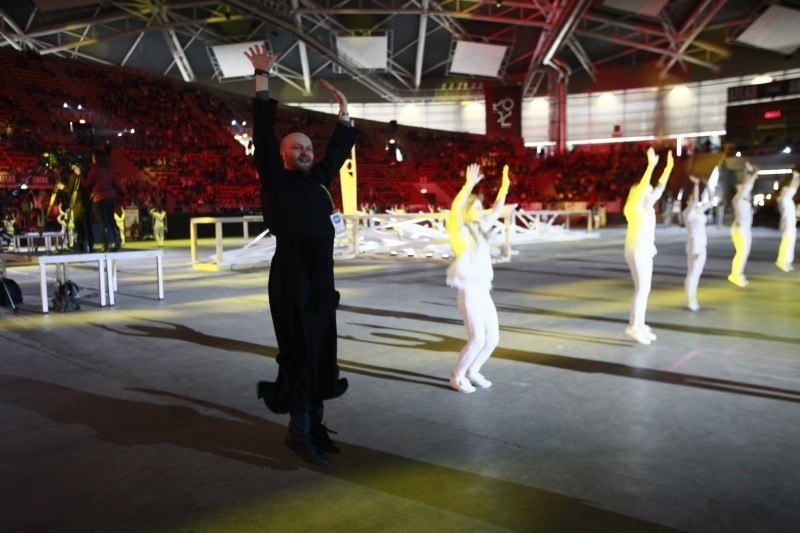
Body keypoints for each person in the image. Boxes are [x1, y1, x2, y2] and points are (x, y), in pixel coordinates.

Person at [246, 44, 356, 466]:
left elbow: (338, 151)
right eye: (296, 148)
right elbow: (261, 131)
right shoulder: (276, 181)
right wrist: (262, 79)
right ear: (281, 156)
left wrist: (344, 111)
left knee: (323, 353)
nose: (305, 152)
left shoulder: (320, 182)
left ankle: (314, 425)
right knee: (300, 355)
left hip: (321, 283)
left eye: (308, 147)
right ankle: (298, 433)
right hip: (293, 279)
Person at [446, 163, 510, 393]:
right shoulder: (460, 232)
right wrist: (468, 186)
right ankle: (457, 376)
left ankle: (473, 371)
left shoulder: (481, 228)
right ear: (467, 211)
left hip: (483, 291)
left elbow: (497, 210)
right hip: (469, 292)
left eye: (482, 207)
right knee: (477, 339)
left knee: (492, 338)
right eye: (477, 207)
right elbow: (455, 210)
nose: (482, 210)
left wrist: (505, 187)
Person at [623, 147, 674, 345]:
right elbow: (645, 185)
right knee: (642, 289)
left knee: (644, 288)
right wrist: (651, 166)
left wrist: (668, 167)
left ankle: (639, 324)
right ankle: (634, 327)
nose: (652, 191)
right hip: (637, 249)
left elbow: (659, 186)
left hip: (643, 249)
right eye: (647, 190)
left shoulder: (646, 205)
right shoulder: (633, 207)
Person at [81, 148, 123, 252]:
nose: (92, 159)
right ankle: (118, 242)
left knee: (102, 222)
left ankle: (106, 245)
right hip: (110, 197)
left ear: (96, 158)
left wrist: (78, 174)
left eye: (93, 157)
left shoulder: (94, 170)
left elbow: (86, 184)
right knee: (111, 220)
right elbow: (118, 184)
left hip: (99, 198)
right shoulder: (109, 170)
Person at [682, 171, 713, 311]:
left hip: (700, 245)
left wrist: (707, 186)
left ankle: (690, 299)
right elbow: (695, 199)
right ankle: (691, 301)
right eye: (691, 199)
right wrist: (695, 184)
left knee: (694, 273)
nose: (694, 200)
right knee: (693, 274)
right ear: (687, 201)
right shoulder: (688, 213)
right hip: (695, 246)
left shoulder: (698, 210)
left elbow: (711, 200)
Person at [728, 161, 757, 287]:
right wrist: (751, 172)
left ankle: (737, 274)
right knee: (742, 252)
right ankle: (736, 275)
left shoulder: (742, 200)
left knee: (743, 252)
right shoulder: (740, 199)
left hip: (743, 228)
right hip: (740, 229)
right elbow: (748, 184)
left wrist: (750, 173)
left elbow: (747, 184)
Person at [775, 169, 799, 272]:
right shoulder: (784, 199)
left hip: (789, 224)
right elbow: (793, 188)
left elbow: (793, 188)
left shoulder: (786, 200)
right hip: (787, 225)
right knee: (787, 243)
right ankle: (782, 262)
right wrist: (795, 177)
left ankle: (787, 261)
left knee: (789, 243)